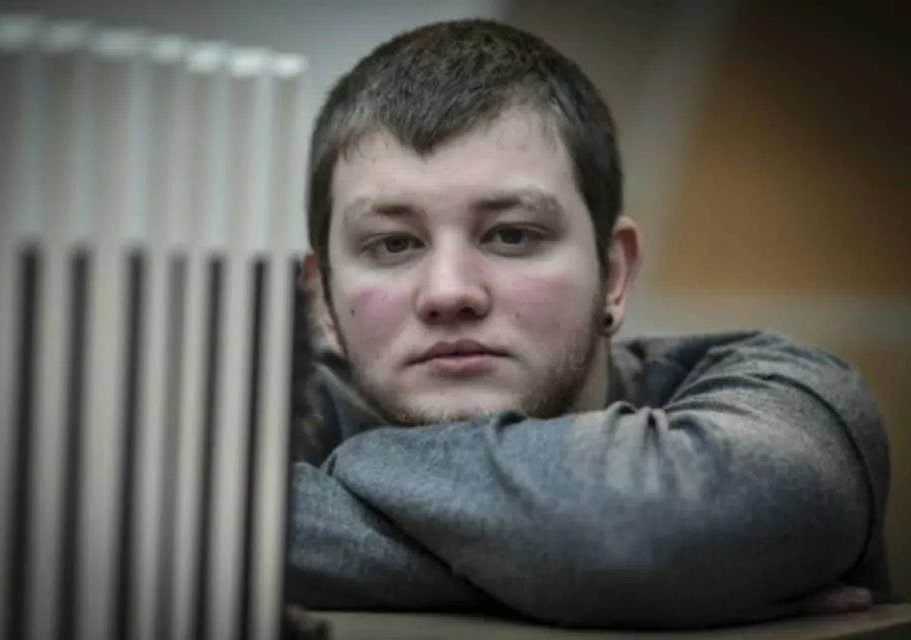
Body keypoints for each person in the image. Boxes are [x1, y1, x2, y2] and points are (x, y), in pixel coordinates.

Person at [286, 19, 894, 629]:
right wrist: (621, 578)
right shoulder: (288, 409)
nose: (449, 293)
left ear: (612, 275)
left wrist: (342, 484)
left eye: (512, 234)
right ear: (323, 300)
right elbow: (204, 530)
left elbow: (639, 538)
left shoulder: (792, 398)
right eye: (392, 244)